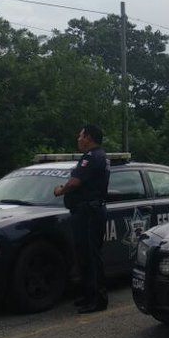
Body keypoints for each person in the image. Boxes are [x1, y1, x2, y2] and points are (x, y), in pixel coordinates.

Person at [54, 124, 111, 313]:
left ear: (88, 137)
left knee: (91, 256)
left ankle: (98, 299)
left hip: (89, 212)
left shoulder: (92, 157)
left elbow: (75, 182)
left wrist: (60, 190)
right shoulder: (98, 156)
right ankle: (88, 295)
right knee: (84, 256)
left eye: (80, 136)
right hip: (87, 211)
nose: (78, 139)